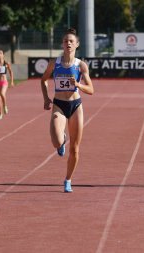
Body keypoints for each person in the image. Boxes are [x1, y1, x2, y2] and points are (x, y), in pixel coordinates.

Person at [40, 28, 94, 193]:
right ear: (62, 44)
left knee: (75, 149)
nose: (68, 43)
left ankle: (68, 179)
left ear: (77, 44)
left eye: (71, 41)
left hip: (76, 105)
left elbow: (91, 89)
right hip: (59, 104)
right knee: (56, 141)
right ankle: (61, 140)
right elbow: (43, 80)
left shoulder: (80, 65)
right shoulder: (54, 63)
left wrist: (78, 84)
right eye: (65, 41)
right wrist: (46, 98)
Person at [0, 49, 14, 120]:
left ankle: (5, 105)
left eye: (1, 53)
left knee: (2, 93)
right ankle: (0, 113)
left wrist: (12, 81)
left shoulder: (6, 63)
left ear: (3, 55)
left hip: (3, 82)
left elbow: (11, 72)